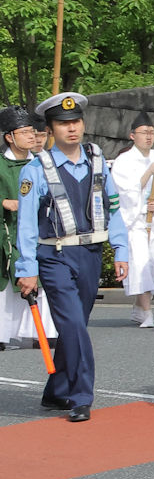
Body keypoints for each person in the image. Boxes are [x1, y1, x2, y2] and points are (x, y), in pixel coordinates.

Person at [14, 93, 132, 421]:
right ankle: (81, 396)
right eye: (63, 123)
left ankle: (56, 391)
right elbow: (26, 224)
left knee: (75, 325)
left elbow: (113, 208)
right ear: (50, 129)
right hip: (53, 256)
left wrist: (120, 249)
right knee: (73, 323)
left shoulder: (97, 162)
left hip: (91, 253)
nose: (72, 128)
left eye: (76, 121)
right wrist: (27, 269)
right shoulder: (35, 170)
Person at [109, 111, 154, 328]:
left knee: (153, 264)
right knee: (139, 263)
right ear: (133, 136)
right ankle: (147, 312)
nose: (149, 136)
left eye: (151, 132)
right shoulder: (124, 161)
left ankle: (139, 308)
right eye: (144, 132)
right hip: (136, 221)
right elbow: (125, 192)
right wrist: (149, 173)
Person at [0, 106, 57, 349]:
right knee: (5, 282)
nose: (31, 136)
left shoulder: (43, 164)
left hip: (39, 229)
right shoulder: (1, 165)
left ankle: (43, 332)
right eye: (24, 132)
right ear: (9, 137)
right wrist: (4, 203)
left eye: (33, 132)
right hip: (7, 229)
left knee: (44, 277)